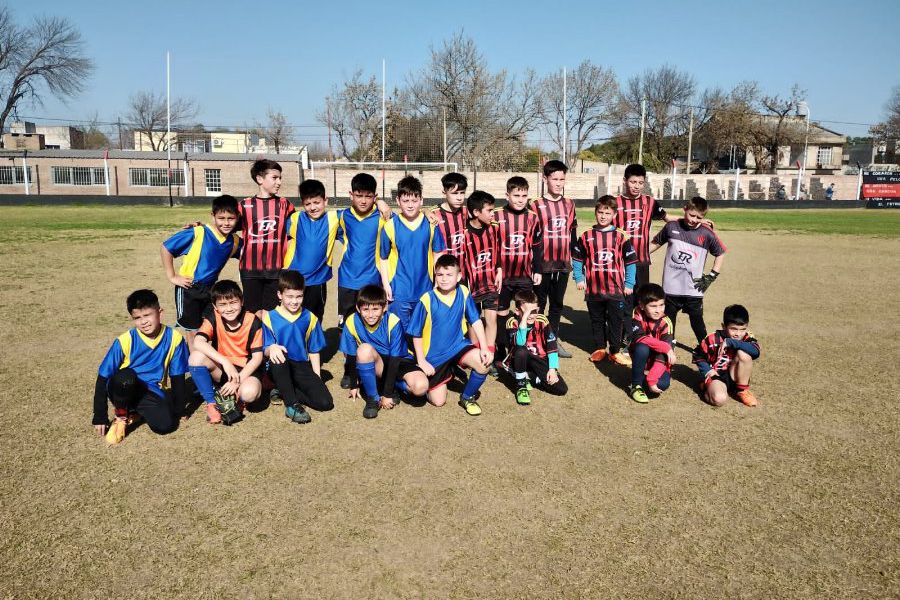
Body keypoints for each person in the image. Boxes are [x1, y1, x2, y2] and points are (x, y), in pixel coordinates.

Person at [92, 289, 189, 445]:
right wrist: (99, 416)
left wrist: (179, 409)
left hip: (150, 390)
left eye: (147, 315)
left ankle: (136, 414)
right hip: (121, 388)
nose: (143, 322)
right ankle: (122, 416)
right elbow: (103, 377)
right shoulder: (125, 340)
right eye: (137, 318)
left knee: (166, 426)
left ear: (160, 313)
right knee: (126, 378)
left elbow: (177, 377)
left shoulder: (175, 338)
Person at [407, 254, 492, 415]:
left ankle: (467, 397)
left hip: (457, 346)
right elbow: (415, 334)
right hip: (434, 357)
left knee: (484, 362)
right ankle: (402, 384)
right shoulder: (427, 299)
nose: (444, 279)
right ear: (435, 275)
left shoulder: (464, 292)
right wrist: (422, 361)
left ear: (459, 276)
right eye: (440, 275)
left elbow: (475, 321)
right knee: (438, 401)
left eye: (449, 274)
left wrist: (484, 347)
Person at [160, 194, 242, 347]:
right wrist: (172, 276)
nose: (226, 223)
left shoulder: (235, 241)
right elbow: (166, 247)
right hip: (188, 288)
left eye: (230, 218)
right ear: (213, 216)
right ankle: (195, 367)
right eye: (221, 218)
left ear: (237, 217)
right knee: (192, 331)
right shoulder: (198, 233)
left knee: (210, 328)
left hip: (211, 290)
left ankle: (208, 364)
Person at [339, 284, 429, 419]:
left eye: (376, 309)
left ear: (385, 307)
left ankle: (394, 387)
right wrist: (354, 384)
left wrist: (387, 393)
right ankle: (373, 398)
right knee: (364, 350)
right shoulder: (351, 321)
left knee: (421, 387)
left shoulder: (393, 321)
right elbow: (350, 355)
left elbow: (394, 361)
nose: (370, 315)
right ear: (358, 308)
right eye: (365, 309)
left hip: (398, 361)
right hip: (374, 361)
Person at [648, 196, 727, 344]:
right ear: (685, 209)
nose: (694, 220)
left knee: (697, 323)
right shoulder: (671, 227)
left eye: (699, 217)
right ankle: (668, 349)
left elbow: (720, 253)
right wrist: (639, 256)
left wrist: (711, 276)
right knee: (668, 323)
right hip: (671, 288)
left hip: (693, 289)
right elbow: (656, 243)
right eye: (691, 215)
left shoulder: (706, 233)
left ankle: (707, 350)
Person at [334, 173, 387, 390]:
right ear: (350, 195)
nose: (363, 200)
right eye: (358, 195)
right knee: (347, 325)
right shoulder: (340, 217)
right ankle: (349, 367)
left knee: (371, 323)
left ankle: (370, 363)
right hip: (347, 280)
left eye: (368, 196)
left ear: (375, 196)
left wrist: (383, 203)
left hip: (372, 281)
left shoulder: (383, 217)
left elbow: (409, 215)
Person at [572, 195, 638, 366]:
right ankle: (600, 348)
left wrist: (629, 284)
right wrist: (579, 278)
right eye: (600, 212)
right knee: (597, 320)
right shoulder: (586, 235)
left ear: (614, 214)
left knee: (616, 321)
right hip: (593, 289)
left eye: (607, 213)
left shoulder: (621, 236)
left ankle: (615, 351)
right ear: (595, 212)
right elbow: (577, 259)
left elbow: (631, 262)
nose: (603, 216)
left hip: (615, 289)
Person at [188, 279, 264, 425]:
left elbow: (257, 358)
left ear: (241, 302)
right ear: (215, 307)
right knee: (195, 357)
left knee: (250, 394)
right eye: (222, 304)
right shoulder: (213, 317)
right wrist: (225, 362)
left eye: (233, 302)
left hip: (246, 371)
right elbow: (198, 341)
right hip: (224, 368)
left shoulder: (252, 320)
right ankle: (212, 403)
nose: (228, 309)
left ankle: (237, 398)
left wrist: (238, 380)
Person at [261, 270, 333, 425]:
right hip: (279, 365)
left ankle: (284, 389)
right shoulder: (269, 318)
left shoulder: (310, 317)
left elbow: (313, 350)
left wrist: (317, 377)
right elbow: (265, 349)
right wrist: (271, 347)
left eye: (299, 296)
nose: (294, 301)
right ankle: (291, 404)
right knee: (278, 354)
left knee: (325, 403)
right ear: (280, 295)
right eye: (289, 296)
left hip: (301, 365)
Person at [378, 175, 447, 330]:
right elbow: (383, 258)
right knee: (398, 331)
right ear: (398, 201)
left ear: (421, 201)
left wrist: (437, 281)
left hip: (425, 288)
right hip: (399, 290)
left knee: (422, 331)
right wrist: (385, 284)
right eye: (405, 201)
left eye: (414, 201)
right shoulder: (389, 226)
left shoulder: (431, 224)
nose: (410, 205)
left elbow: (438, 254)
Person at [531, 160, 577, 358]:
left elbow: (573, 233)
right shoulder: (535, 205)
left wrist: (575, 260)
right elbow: (530, 236)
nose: (558, 183)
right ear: (545, 179)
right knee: (539, 303)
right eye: (554, 179)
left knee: (557, 303)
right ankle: (536, 339)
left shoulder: (569, 204)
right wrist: (535, 266)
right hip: (542, 265)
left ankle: (552, 339)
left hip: (563, 264)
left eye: (562, 179)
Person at [494, 176, 543, 362]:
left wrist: (537, 269)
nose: (520, 199)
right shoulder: (496, 216)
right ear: (507, 195)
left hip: (524, 276)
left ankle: (524, 347)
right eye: (516, 195)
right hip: (503, 276)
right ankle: (501, 349)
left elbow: (537, 246)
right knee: (502, 313)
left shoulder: (532, 217)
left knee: (526, 311)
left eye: (524, 195)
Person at [238, 159, 296, 314]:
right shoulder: (244, 206)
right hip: (250, 271)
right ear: (259, 179)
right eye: (274, 178)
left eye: (280, 178)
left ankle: (271, 339)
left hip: (277, 271)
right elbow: (225, 227)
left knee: (273, 313)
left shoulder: (285, 205)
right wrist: (198, 226)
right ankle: (255, 339)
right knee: (252, 313)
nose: (279, 182)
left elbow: (297, 230)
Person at [283, 179, 340, 321]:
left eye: (317, 202)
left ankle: (313, 343)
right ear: (303, 204)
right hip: (292, 280)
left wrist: (380, 203)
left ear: (325, 201)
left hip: (317, 281)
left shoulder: (334, 218)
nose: (313, 207)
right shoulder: (295, 218)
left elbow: (358, 211)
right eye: (308, 204)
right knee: (291, 319)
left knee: (314, 320)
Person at [503, 289, 568, 405]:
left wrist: (552, 369)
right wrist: (524, 319)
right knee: (521, 350)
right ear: (517, 311)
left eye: (534, 311)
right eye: (527, 312)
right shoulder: (512, 322)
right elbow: (519, 343)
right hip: (519, 358)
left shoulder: (542, 320)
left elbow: (552, 346)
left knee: (561, 389)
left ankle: (530, 377)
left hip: (538, 359)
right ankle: (521, 386)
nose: (531, 315)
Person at [461, 191, 503, 371]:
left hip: (491, 282)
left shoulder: (494, 229)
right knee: (474, 320)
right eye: (489, 210)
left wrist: (499, 269)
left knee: (491, 318)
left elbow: (498, 250)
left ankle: (490, 354)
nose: (493, 214)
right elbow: (462, 261)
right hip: (472, 285)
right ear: (476, 212)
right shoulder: (464, 234)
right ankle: (476, 352)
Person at [693, 304, 761, 407]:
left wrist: (731, 342)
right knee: (719, 400)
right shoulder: (712, 338)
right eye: (733, 329)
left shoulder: (747, 337)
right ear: (724, 326)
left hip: (735, 375)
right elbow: (697, 355)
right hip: (716, 376)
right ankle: (707, 388)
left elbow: (756, 351)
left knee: (744, 354)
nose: (738, 334)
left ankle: (742, 390)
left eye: (742, 329)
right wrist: (708, 371)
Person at [627, 284, 675, 404]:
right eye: (653, 306)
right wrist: (665, 347)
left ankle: (641, 375)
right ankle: (636, 385)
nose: (658, 310)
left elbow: (664, 355)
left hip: (659, 361)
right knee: (642, 347)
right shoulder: (636, 314)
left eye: (661, 305)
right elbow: (638, 337)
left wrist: (652, 378)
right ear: (642, 305)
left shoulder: (666, 323)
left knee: (661, 385)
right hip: (642, 355)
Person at [429, 172, 468, 261]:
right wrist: (425, 211)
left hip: (462, 271)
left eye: (462, 193)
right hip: (442, 271)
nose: (459, 197)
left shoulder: (467, 212)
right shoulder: (433, 214)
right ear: (444, 192)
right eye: (454, 193)